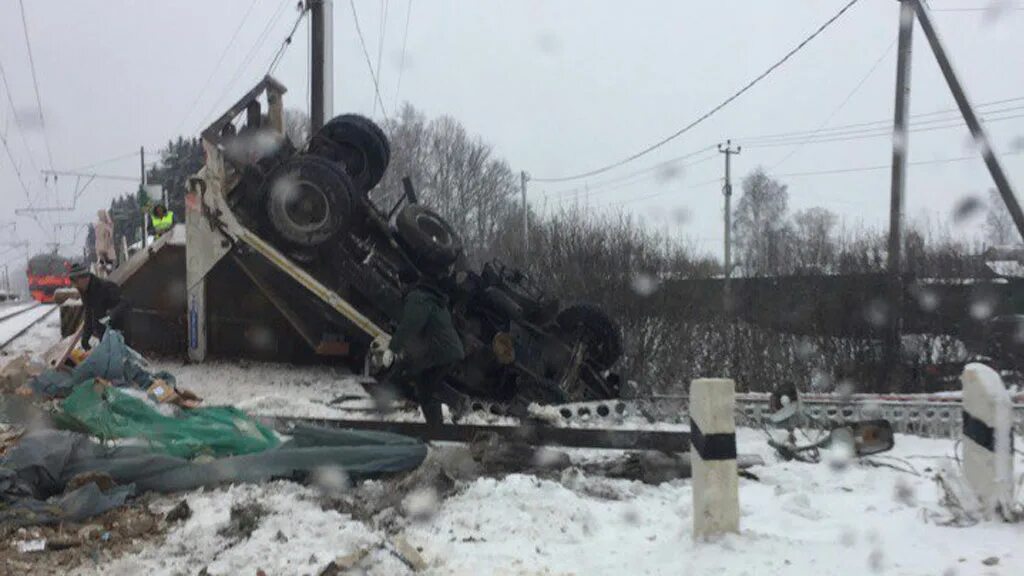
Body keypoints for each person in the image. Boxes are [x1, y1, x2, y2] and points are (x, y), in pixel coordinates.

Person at [373, 270, 467, 429]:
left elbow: (410, 325)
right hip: (446, 350)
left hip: (438, 350)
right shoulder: (429, 298)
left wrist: (393, 348)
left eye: (400, 283)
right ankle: (439, 425)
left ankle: (444, 417)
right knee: (426, 386)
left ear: (404, 284)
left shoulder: (417, 298)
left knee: (417, 379)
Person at [69, 263, 131, 350]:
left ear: (84, 278)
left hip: (119, 330)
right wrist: (86, 337)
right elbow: (89, 314)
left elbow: (125, 303)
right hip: (104, 333)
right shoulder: (85, 291)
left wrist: (111, 316)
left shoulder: (104, 287)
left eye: (76, 283)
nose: (75, 287)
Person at [95, 209, 115, 274]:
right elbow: (108, 236)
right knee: (109, 263)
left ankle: (103, 268)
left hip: (101, 246)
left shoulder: (98, 226)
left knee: (104, 262)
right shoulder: (107, 225)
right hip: (106, 246)